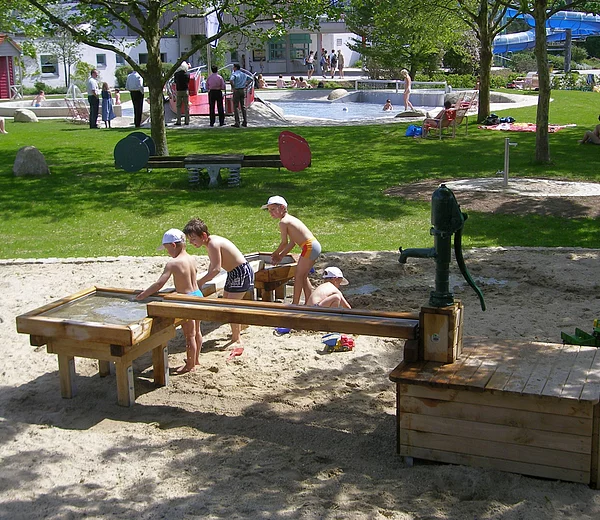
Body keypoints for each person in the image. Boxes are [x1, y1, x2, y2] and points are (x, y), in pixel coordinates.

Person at [136, 229, 203, 374]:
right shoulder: (192, 258)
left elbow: (159, 284)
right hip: (198, 294)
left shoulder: (173, 263)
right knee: (197, 331)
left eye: (166, 249)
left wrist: (143, 295)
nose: (167, 253)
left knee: (189, 335)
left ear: (173, 245)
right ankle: (196, 359)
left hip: (186, 300)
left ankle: (190, 365)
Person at [183, 218, 255, 346]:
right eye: (189, 240)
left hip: (241, 273)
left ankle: (236, 338)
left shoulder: (213, 244)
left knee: (231, 307)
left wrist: (200, 283)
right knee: (226, 299)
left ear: (203, 235)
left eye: (193, 239)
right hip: (233, 273)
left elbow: (216, 270)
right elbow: (213, 264)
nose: (191, 242)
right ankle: (241, 327)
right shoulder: (210, 243)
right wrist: (203, 278)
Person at [262, 195, 321, 306]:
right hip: (313, 246)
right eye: (269, 210)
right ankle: (310, 302)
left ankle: (295, 304)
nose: (271, 213)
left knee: (298, 275)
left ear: (283, 208)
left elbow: (284, 242)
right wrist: (281, 255)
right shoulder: (290, 219)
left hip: (309, 247)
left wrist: (275, 253)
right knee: (303, 276)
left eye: (273, 209)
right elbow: (292, 242)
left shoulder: (283, 222)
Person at [229, 63, 251, 128]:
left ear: (235, 68)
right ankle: (245, 121)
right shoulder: (243, 74)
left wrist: (233, 87)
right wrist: (246, 84)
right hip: (242, 90)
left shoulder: (235, 74)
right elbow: (251, 79)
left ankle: (237, 122)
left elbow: (231, 80)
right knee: (243, 106)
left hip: (237, 90)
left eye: (233, 67)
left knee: (235, 106)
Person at [173, 62, 190, 126]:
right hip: (185, 90)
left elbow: (175, 81)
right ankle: (187, 121)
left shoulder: (176, 74)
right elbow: (188, 81)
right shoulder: (187, 74)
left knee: (178, 106)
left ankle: (179, 121)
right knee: (186, 106)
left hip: (179, 90)